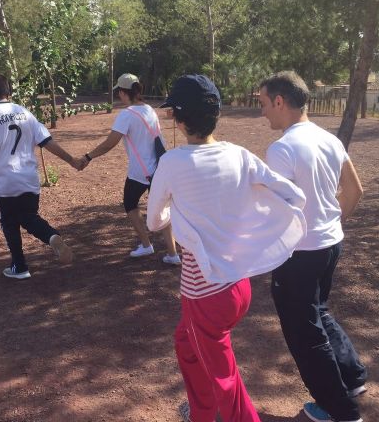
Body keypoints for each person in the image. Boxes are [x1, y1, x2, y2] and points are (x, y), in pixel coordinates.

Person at [146, 74, 307, 422]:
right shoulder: (238, 154)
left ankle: (219, 415)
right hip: (238, 285)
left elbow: (154, 222)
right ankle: (201, 412)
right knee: (186, 344)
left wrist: (180, 211)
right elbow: (291, 193)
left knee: (225, 379)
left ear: (178, 118)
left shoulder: (172, 163)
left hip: (204, 292)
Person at [259, 71, 366, 422]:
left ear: (280, 101)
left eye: (264, 103)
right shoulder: (329, 139)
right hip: (331, 244)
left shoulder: (282, 149)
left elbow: (275, 210)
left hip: (300, 254)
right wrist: (330, 225)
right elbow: (355, 191)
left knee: (305, 333)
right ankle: (352, 377)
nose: (263, 112)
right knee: (319, 312)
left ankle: (340, 410)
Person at [0, 74, 80, 280]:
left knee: (9, 222)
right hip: (28, 177)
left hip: (5, 180)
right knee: (29, 218)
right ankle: (52, 237)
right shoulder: (24, 112)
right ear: (8, 92)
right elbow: (47, 142)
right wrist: (71, 160)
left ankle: (19, 266)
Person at [81, 73, 180, 265]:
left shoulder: (126, 114)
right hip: (159, 167)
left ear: (123, 92)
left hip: (140, 172)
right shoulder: (149, 109)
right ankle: (173, 253)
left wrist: (88, 157)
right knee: (162, 208)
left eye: (119, 91)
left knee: (130, 204)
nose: (118, 95)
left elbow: (109, 143)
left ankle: (146, 244)